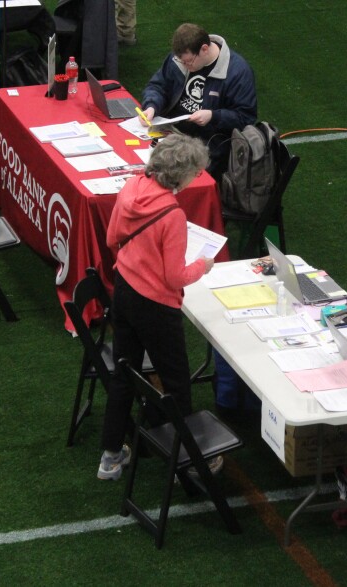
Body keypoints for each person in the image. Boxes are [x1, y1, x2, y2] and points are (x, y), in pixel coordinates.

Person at [97, 134, 215, 480]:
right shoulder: (172, 214)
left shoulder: (132, 186)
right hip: (156, 307)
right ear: (183, 175)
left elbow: (111, 239)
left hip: (124, 290)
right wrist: (203, 266)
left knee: (124, 374)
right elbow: (175, 277)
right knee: (176, 382)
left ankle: (110, 456)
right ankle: (186, 462)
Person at [139, 23, 257, 180]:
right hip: (170, 132)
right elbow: (158, 86)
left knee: (163, 176)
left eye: (189, 61)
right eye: (182, 61)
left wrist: (213, 116)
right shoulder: (180, 59)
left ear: (204, 49)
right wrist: (152, 106)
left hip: (207, 144)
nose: (185, 65)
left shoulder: (238, 72)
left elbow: (245, 117)